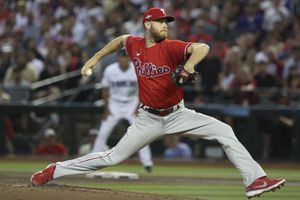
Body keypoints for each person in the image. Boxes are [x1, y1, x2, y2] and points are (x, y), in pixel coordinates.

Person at [30, 7, 285, 199]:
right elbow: (120, 40)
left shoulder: (171, 47)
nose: (165, 25)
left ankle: (255, 181)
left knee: (224, 131)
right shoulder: (135, 45)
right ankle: (55, 170)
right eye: (161, 22)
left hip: (178, 114)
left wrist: (188, 66)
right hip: (148, 119)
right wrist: (95, 58)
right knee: (111, 158)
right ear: (147, 24)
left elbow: (202, 47)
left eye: (167, 22)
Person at [91, 49, 153, 172]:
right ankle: (92, 161)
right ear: (118, 57)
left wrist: (137, 108)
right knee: (103, 132)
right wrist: (107, 109)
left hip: (131, 103)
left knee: (141, 132)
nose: (125, 59)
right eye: (123, 57)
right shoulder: (110, 70)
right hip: (114, 104)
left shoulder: (136, 69)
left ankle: (147, 163)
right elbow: (105, 90)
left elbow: (142, 90)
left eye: (127, 57)